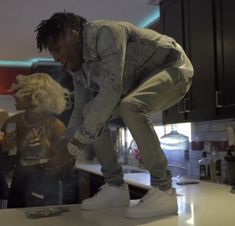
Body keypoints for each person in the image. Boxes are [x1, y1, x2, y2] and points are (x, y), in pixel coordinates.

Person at [35, 12, 194, 219]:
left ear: (73, 34)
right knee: (89, 111)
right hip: (139, 84)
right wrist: (66, 144)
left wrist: (73, 148)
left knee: (130, 106)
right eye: (52, 54)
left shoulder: (105, 33)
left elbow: (111, 89)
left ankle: (164, 190)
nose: (57, 58)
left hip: (174, 68)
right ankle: (116, 187)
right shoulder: (79, 68)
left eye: (57, 49)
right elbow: (80, 110)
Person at [1, 73, 70, 208]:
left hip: (47, 191)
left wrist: (46, 152)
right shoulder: (12, 123)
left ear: (37, 96)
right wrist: (6, 149)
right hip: (18, 188)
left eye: (21, 91)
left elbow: (65, 170)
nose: (14, 95)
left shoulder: (56, 127)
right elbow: (5, 168)